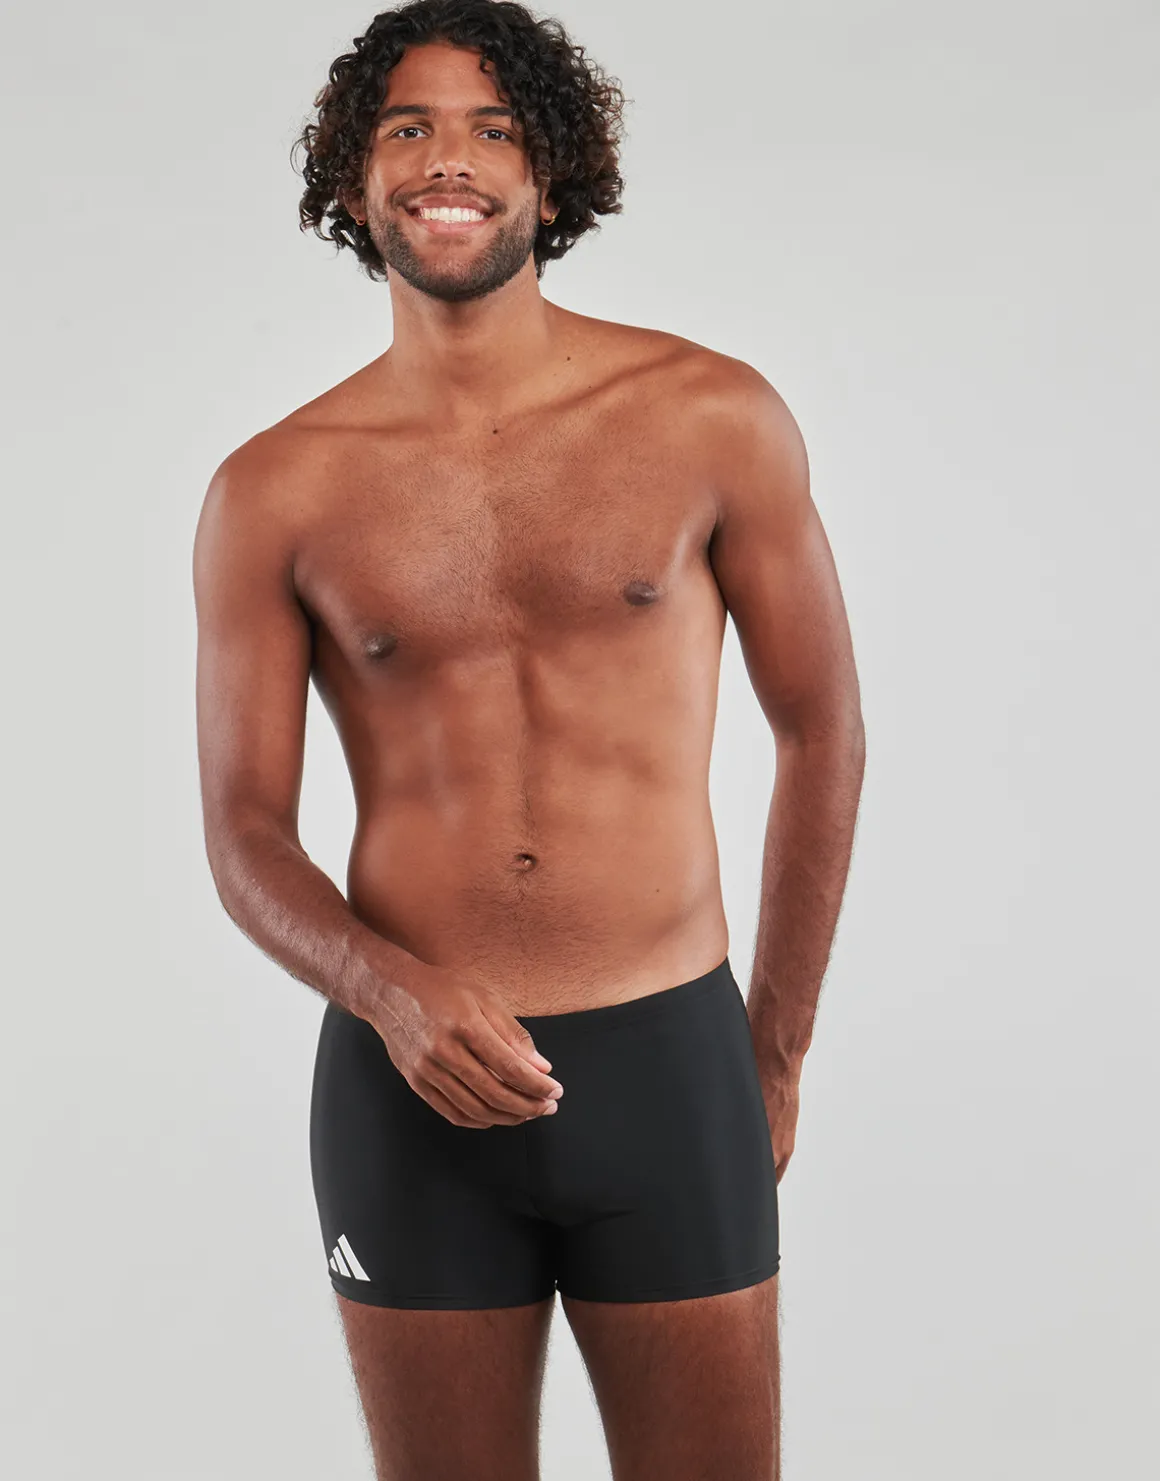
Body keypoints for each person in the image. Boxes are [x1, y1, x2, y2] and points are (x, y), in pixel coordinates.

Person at [192, 2, 865, 1476]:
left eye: (493, 131)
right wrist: (386, 991)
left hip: (668, 1053)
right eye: (409, 128)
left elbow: (821, 726)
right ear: (354, 180)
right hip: (408, 1080)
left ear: (549, 178)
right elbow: (242, 832)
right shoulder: (274, 490)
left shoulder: (711, 415)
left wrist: (773, 1047)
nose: (451, 159)